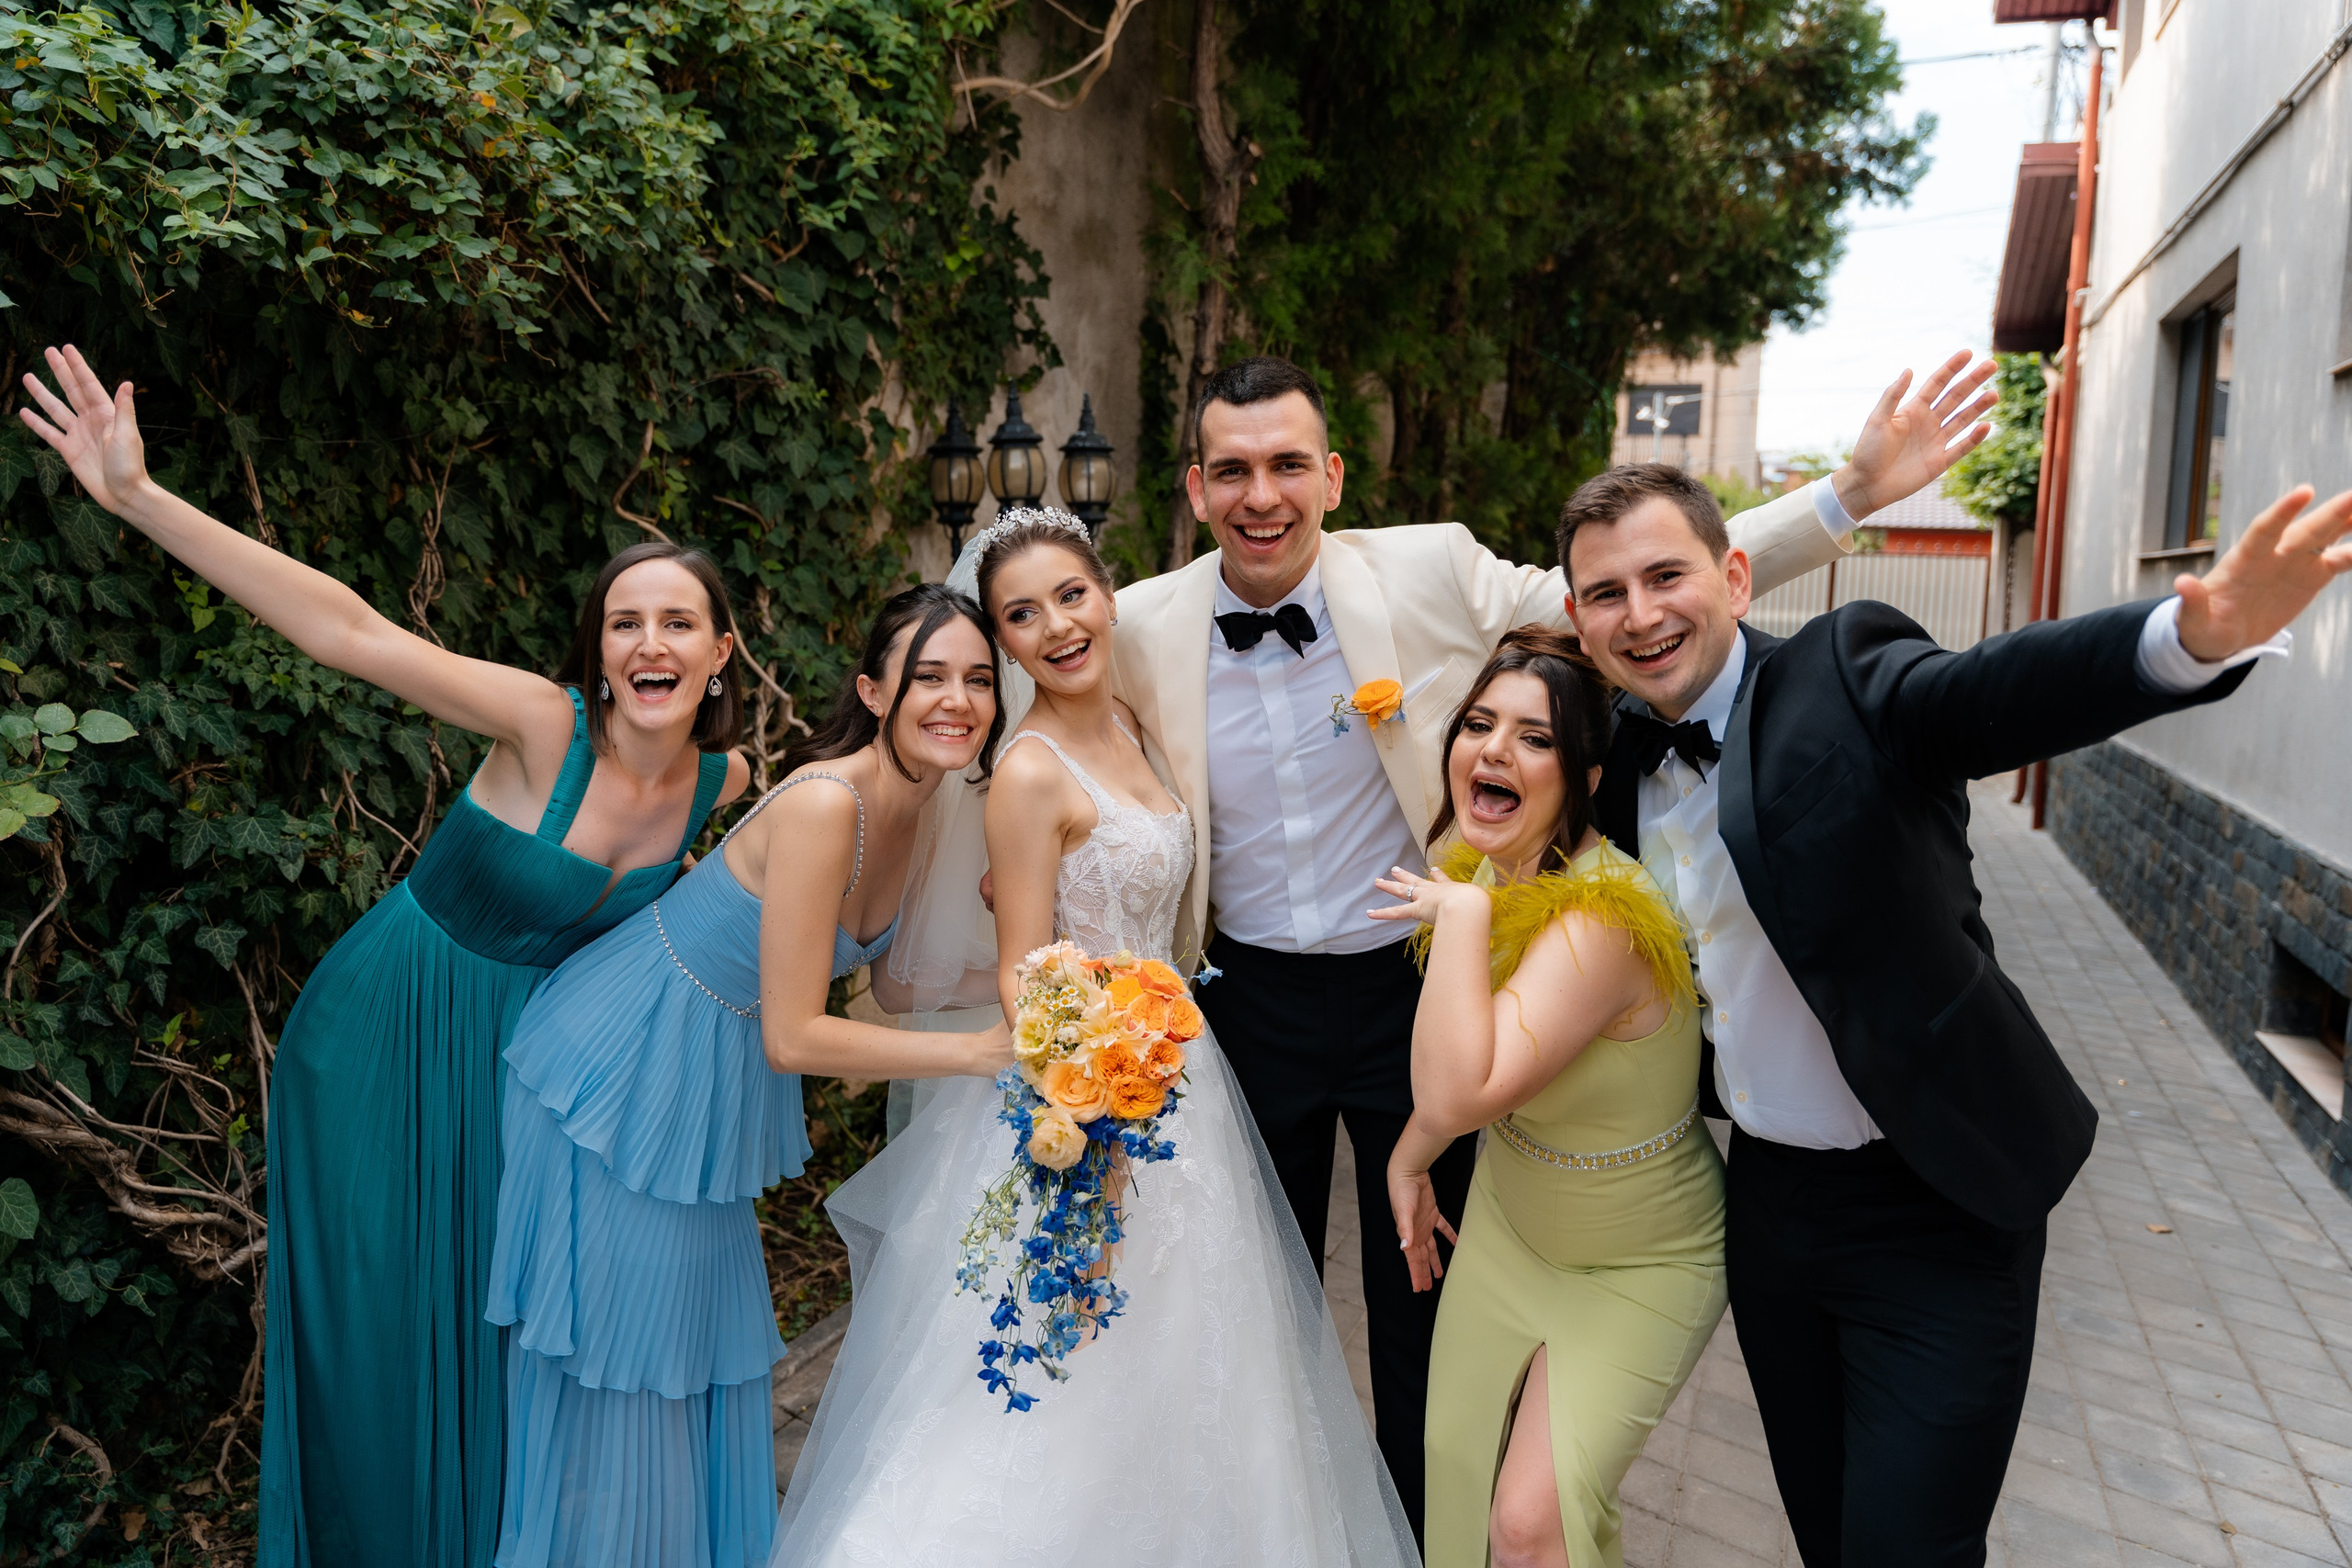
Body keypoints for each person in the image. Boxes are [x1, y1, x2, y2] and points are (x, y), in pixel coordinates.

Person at [1103, 350, 1996, 1534]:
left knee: (1426, 1306)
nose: (1258, 494)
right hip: (1243, 1002)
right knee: (1245, 1300)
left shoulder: (1425, 566)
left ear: (1328, 475)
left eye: (1283, 466)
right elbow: (1037, 753)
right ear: (1194, 487)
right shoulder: (1132, 625)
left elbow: (1625, 598)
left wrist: (1845, 498)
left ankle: (1434, 1543)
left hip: (1422, 986)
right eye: (1230, 471)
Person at [16, 344, 752, 1568]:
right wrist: (138, 495)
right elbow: (348, 630)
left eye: (677, 620)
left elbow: (824, 862)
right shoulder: (541, 722)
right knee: (391, 1347)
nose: (648, 641)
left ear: (721, 650)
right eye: (624, 621)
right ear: (597, 651)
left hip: (525, 1084)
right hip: (384, 1042)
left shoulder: (723, 785)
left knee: (508, 1352)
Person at [1555, 460, 2350, 1563]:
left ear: (1735, 578)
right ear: (1575, 617)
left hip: (1937, 1202)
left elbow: (1982, 695)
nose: (1639, 615)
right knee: (1828, 1534)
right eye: (1605, 592)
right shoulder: (1613, 760)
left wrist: (2183, 637)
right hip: (1773, 1214)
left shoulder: (1841, 675)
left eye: (1664, 575)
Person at [772, 510, 1418, 1568]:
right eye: (1021, 616)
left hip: (1185, 1080)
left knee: (1202, 1374)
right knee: (1073, 1356)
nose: (1055, 626)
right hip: (1094, 1105)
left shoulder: (1131, 719)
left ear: (1107, 596)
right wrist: (1092, 1169)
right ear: (1005, 643)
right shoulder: (1026, 774)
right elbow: (1036, 982)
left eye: (1070, 596)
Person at [484, 584, 1014, 1568]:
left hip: (701, 1082)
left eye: (979, 679)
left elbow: (897, 981)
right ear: (872, 690)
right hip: (623, 1064)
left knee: (698, 1351)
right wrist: (982, 1049)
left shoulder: (931, 801)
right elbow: (797, 1035)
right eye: (928, 677)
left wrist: (1050, 979)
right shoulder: (827, 803)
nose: (958, 700)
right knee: (629, 1361)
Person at [1375, 628, 1718, 1568]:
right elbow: (1454, 1077)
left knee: (1531, 1526)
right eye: (1479, 724)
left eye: (1533, 738)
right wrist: (1408, 1159)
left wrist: (1464, 918)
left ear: (1588, 776)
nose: (1492, 750)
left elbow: (1464, 1088)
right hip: (1510, 1225)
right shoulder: (1487, 870)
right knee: (1453, 1467)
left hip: (1638, 1259)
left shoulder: (1601, 918)